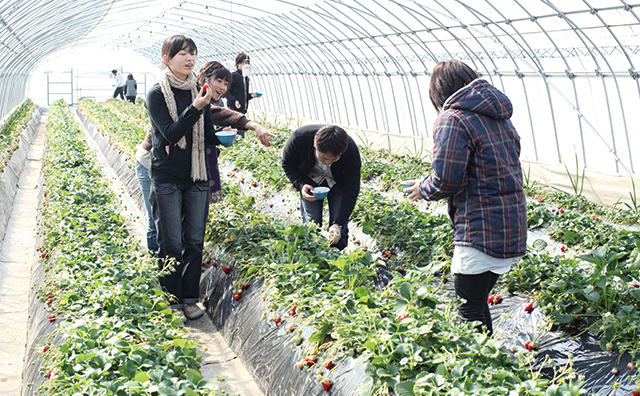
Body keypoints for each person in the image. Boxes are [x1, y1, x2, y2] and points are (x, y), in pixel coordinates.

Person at [145, 35, 273, 323]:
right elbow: (170, 134)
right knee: (171, 243)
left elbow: (205, 129)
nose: (189, 59)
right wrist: (197, 106)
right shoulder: (156, 94)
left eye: (192, 53)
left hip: (198, 176)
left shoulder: (199, 90)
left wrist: (225, 137)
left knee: (193, 240)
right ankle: (170, 299)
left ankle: (190, 299)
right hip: (167, 177)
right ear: (167, 59)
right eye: (182, 54)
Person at [403, 60, 527, 336]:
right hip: (511, 223)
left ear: (439, 91)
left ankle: (484, 371)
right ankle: (490, 363)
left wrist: (422, 189)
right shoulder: (499, 117)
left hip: (480, 226)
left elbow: (448, 179)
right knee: (476, 301)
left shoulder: (452, 119)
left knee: (468, 307)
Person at [282, 125, 361, 250]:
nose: (328, 162)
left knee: (338, 229)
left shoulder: (350, 150)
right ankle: (312, 254)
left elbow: (351, 189)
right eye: (324, 157)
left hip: (338, 183)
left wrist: (338, 224)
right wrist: (301, 185)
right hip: (310, 179)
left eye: (334, 159)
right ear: (314, 145)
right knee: (312, 222)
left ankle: (337, 258)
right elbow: (287, 163)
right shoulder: (299, 138)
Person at [224, 53, 260, 137]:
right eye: (243, 62)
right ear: (238, 64)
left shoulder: (246, 78)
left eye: (247, 62)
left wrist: (252, 95)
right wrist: (235, 101)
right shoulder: (233, 76)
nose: (246, 64)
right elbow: (225, 92)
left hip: (243, 109)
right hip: (234, 109)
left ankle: (236, 146)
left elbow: (243, 95)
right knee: (235, 132)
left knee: (240, 132)